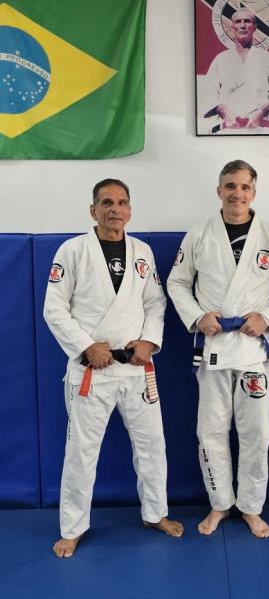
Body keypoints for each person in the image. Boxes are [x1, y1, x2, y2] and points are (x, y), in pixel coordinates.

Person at [44, 179, 183, 558]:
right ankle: (72, 528)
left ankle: (155, 514)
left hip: (136, 368)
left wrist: (149, 341)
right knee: (82, 452)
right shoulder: (72, 251)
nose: (115, 209)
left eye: (121, 202)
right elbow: (53, 308)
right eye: (106, 202)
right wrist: (86, 346)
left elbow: (155, 303)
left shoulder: (142, 251)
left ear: (130, 210)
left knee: (152, 445)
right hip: (92, 371)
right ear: (93, 210)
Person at [167, 160, 269, 537]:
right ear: (219, 190)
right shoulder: (199, 234)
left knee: (256, 433)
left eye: (244, 187)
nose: (237, 193)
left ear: (253, 192)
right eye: (230, 186)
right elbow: (177, 283)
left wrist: (268, 317)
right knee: (210, 431)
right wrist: (198, 316)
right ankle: (220, 504)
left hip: (255, 348)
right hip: (213, 346)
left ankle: (252, 507)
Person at [203, 8, 269, 133]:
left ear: (254, 27)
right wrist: (224, 112)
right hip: (228, 128)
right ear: (232, 27)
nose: (242, 26)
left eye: (247, 21)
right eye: (238, 22)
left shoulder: (267, 58)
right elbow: (209, 94)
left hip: (259, 128)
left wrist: (260, 113)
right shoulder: (220, 59)